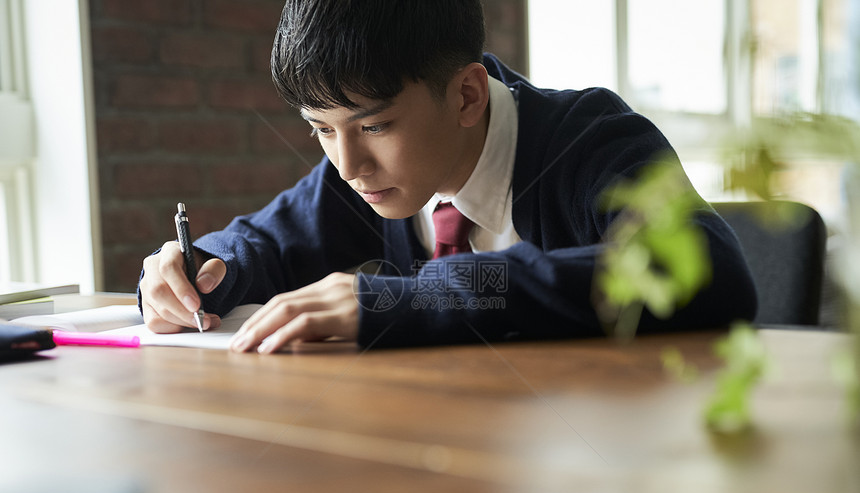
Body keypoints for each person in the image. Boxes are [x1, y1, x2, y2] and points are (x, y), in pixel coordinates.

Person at [138, 0, 757, 352]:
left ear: (466, 96)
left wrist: (417, 296)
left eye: (374, 126)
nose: (348, 166)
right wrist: (201, 272)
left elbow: (707, 270)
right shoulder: (363, 174)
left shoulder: (592, 142)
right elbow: (265, 243)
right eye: (321, 130)